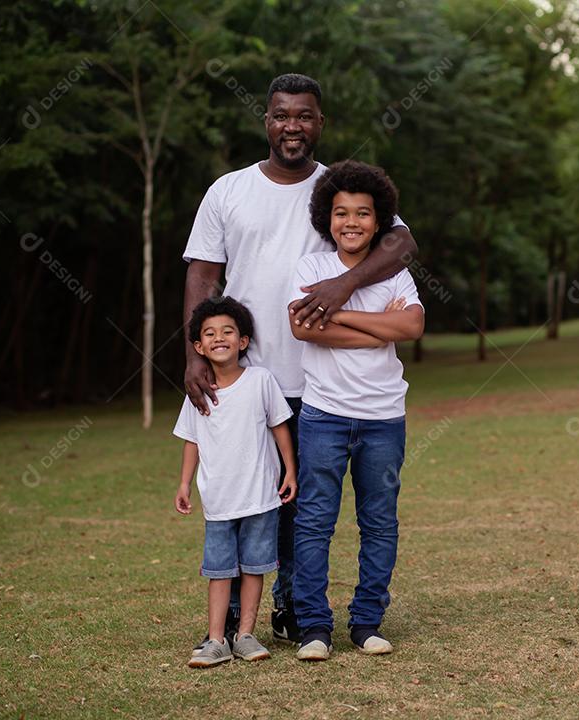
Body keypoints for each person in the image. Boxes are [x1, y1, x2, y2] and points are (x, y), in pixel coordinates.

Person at [182, 73, 418, 642]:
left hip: (322, 383)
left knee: (298, 506)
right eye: (283, 114)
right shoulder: (228, 190)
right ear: (266, 120)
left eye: (305, 115)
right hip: (246, 375)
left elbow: (402, 243)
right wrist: (192, 354)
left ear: (320, 123)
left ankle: (291, 613)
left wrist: (342, 289)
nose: (294, 125)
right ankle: (234, 620)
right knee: (244, 496)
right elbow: (204, 273)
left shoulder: (335, 190)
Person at [289, 160, 424, 661]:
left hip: (384, 417)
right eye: (341, 212)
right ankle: (314, 629)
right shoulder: (312, 268)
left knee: (379, 522)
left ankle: (366, 623)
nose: (352, 222)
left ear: (380, 218)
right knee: (314, 521)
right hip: (323, 415)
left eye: (363, 213)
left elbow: (411, 329)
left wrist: (337, 312)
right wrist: (376, 327)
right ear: (327, 217)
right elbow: (303, 329)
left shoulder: (396, 272)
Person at [173, 297, 298, 668]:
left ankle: (245, 634)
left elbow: (279, 427)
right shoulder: (197, 392)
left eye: (228, 331)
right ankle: (216, 640)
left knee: (256, 567)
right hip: (218, 502)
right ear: (199, 347)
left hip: (261, 497)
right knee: (219, 571)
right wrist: (184, 484)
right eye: (209, 334)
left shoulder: (260, 381)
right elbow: (191, 440)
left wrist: (290, 469)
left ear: (243, 341)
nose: (219, 338)